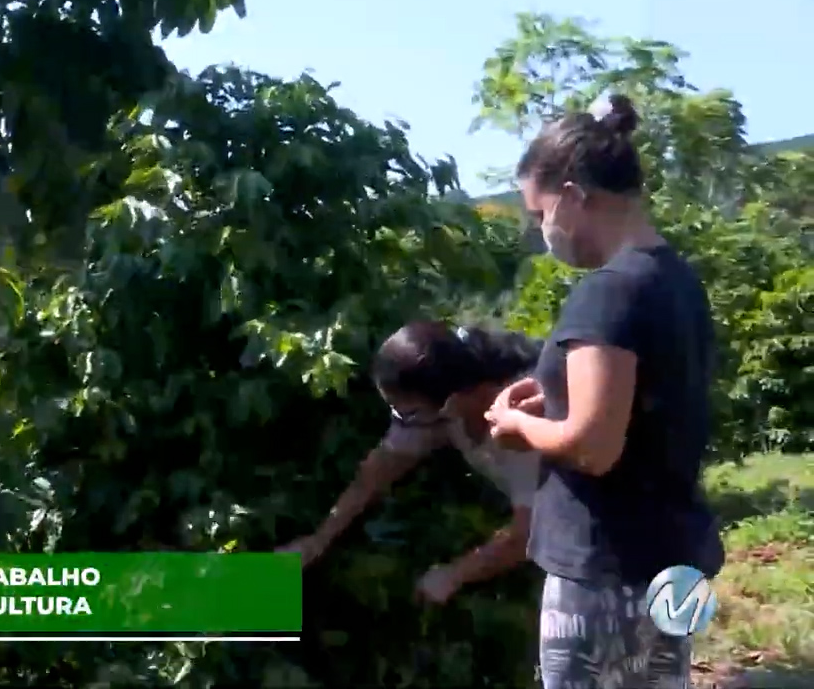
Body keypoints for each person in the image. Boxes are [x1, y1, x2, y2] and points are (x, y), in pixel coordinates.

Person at [483, 94, 725, 689]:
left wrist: (518, 428)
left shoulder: (608, 292)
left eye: (540, 213)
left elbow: (594, 447)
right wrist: (555, 405)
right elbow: (646, 404)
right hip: (672, 551)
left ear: (573, 194)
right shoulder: (674, 278)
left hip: (607, 568)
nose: (542, 231)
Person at [280, 321, 543, 605]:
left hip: (587, 526)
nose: (402, 422)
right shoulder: (449, 391)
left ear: (452, 401)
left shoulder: (527, 416)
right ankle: (232, 610)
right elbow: (381, 467)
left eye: (409, 413)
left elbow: (532, 530)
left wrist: (455, 574)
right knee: (234, 610)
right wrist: (318, 539)